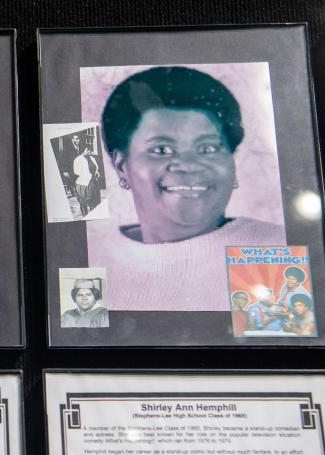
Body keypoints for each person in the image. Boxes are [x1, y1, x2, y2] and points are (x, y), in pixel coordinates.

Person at [89, 66, 285, 311]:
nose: (190, 166)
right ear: (121, 166)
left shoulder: (276, 250)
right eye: (162, 150)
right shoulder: (90, 263)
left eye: (208, 149)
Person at [73, 146, 101, 217]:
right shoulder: (78, 159)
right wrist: (89, 175)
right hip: (83, 184)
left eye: (90, 150)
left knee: (94, 202)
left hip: (93, 182)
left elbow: (96, 168)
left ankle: (92, 217)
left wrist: (96, 172)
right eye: (87, 150)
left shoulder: (92, 158)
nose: (89, 152)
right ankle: (85, 217)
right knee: (83, 202)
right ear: (83, 150)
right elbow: (76, 171)